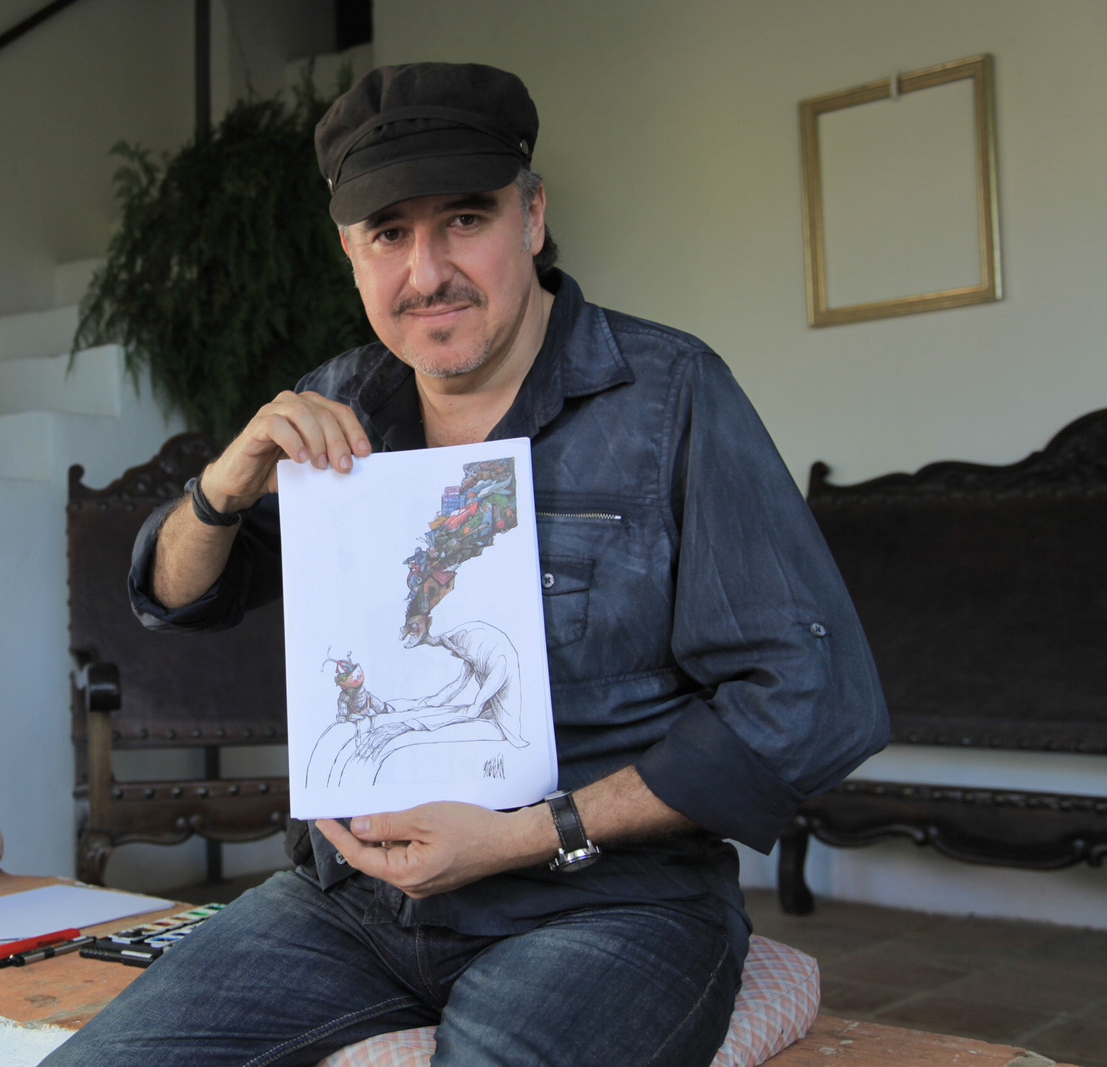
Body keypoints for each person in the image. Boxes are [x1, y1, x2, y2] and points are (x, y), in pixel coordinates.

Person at [46, 62, 888, 1066]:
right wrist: (224, 483)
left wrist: (532, 831)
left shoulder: (671, 395)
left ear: (531, 216)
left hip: (606, 907)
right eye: (388, 234)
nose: (427, 271)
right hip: (349, 907)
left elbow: (814, 698)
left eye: (464, 219)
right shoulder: (337, 406)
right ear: (350, 252)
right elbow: (174, 596)